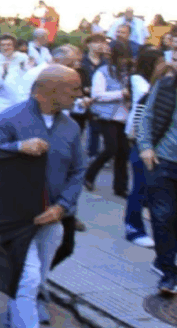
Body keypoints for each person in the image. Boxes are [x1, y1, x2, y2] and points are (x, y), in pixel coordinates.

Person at [0, 66, 85, 328]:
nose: (79, 94)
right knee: (27, 280)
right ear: (49, 91)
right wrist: (17, 147)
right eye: (73, 89)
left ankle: (13, 318)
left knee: (35, 279)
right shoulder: (10, 118)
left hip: (52, 219)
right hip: (17, 220)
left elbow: (78, 171)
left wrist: (62, 208)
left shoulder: (71, 127)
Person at [139, 58, 177, 293]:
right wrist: (145, 146)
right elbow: (147, 116)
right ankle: (168, 272)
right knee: (163, 216)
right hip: (162, 160)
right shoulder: (165, 86)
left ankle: (165, 258)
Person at [123, 47, 163, 248]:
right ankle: (133, 228)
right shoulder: (141, 82)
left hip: (154, 144)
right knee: (139, 186)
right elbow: (143, 108)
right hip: (141, 142)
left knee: (149, 188)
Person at [84, 40, 134, 197]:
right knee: (111, 148)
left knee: (124, 152)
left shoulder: (128, 73)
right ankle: (89, 175)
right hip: (107, 116)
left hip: (123, 117)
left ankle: (120, 187)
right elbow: (97, 95)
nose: (124, 61)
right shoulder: (103, 71)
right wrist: (121, 94)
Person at [0, 34, 30, 116]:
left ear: (14, 46)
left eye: (9, 45)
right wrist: (3, 75)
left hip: (20, 101)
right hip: (2, 103)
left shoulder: (22, 57)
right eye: (3, 45)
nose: (6, 48)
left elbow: (28, 77)